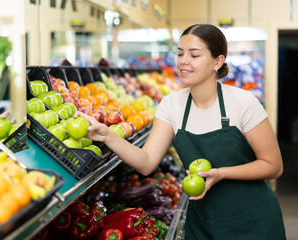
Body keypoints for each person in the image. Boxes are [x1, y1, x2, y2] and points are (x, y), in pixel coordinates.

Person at [75, 24, 286, 239]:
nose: (183, 61)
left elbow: (273, 165)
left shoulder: (242, 102)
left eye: (194, 55)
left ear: (217, 62)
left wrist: (221, 173)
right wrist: (108, 136)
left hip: (253, 222)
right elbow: (146, 162)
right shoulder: (172, 105)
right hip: (204, 224)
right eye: (180, 53)